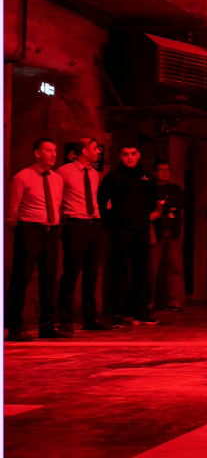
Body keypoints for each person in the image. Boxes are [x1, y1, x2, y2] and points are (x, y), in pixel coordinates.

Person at [5, 138, 69, 341]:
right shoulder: (22, 177)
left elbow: (57, 204)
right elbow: (12, 210)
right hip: (29, 227)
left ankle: (47, 326)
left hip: (50, 230)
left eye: (55, 150)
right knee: (21, 277)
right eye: (48, 150)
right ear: (37, 153)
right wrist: (19, 228)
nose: (53, 154)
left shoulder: (57, 179)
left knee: (49, 278)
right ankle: (14, 327)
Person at [97, 142, 158, 327]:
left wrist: (143, 218)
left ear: (138, 155)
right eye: (125, 154)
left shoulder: (147, 176)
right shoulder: (112, 177)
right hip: (120, 231)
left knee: (141, 273)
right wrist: (111, 222)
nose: (129, 157)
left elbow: (152, 200)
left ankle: (140, 312)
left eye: (132, 153)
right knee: (118, 273)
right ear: (121, 157)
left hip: (141, 231)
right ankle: (116, 313)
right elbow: (102, 200)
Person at [56, 137, 110, 333]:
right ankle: (64, 318)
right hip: (76, 223)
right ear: (84, 151)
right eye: (95, 148)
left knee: (92, 273)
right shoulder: (64, 171)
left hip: (94, 224)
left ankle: (90, 317)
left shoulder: (94, 173)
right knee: (71, 272)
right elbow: (56, 197)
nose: (98, 151)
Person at [148, 160, 185, 313]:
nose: (164, 172)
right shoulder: (151, 188)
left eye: (167, 170)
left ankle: (174, 300)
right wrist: (166, 206)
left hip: (173, 233)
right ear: (155, 172)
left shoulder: (175, 188)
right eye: (161, 170)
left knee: (175, 266)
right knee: (151, 267)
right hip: (155, 233)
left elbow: (181, 202)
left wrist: (163, 205)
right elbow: (151, 207)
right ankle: (148, 302)